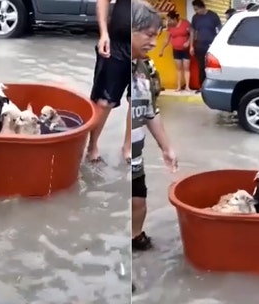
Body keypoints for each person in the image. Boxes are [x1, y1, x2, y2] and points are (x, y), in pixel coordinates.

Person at [131, 0, 177, 253]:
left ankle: (135, 238)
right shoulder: (113, 66)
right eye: (148, 35)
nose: (153, 42)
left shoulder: (146, 68)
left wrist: (166, 148)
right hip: (123, 158)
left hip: (137, 159)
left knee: (139, 202)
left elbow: (150, 111)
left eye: (156, 36)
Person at [88, 0, 132, 163]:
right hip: (116, 44)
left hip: (141, 45)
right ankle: (92, 146)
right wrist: (103, 33)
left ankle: (128, 147)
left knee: (136, 101)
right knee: (104, 101)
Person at [189, 0, 222, 93]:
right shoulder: (195, 17)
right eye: (194, 9)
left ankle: (212, 87)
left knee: (211, 68)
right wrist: (191, 46)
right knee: (201, 67)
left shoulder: (213, 16)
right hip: (199, 45)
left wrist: (218, 44)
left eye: (197, 9)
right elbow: (192, 32)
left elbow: (219, 30)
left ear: (202, 7)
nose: (196, 11)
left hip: (211, 46)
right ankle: (201, 87)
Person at [159, 10, 191, 92]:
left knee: (186, 68)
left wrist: (188, 43)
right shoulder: (170, 27)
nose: (169, 21)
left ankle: (187, 86)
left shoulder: (185, 23)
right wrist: (162, 49)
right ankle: (179, 86)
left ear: (176, 19)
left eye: (170, 20)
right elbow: (167, 39)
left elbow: (193, 34)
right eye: (168, 20)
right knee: (179, 69)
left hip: (185, 50)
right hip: (176, 50)